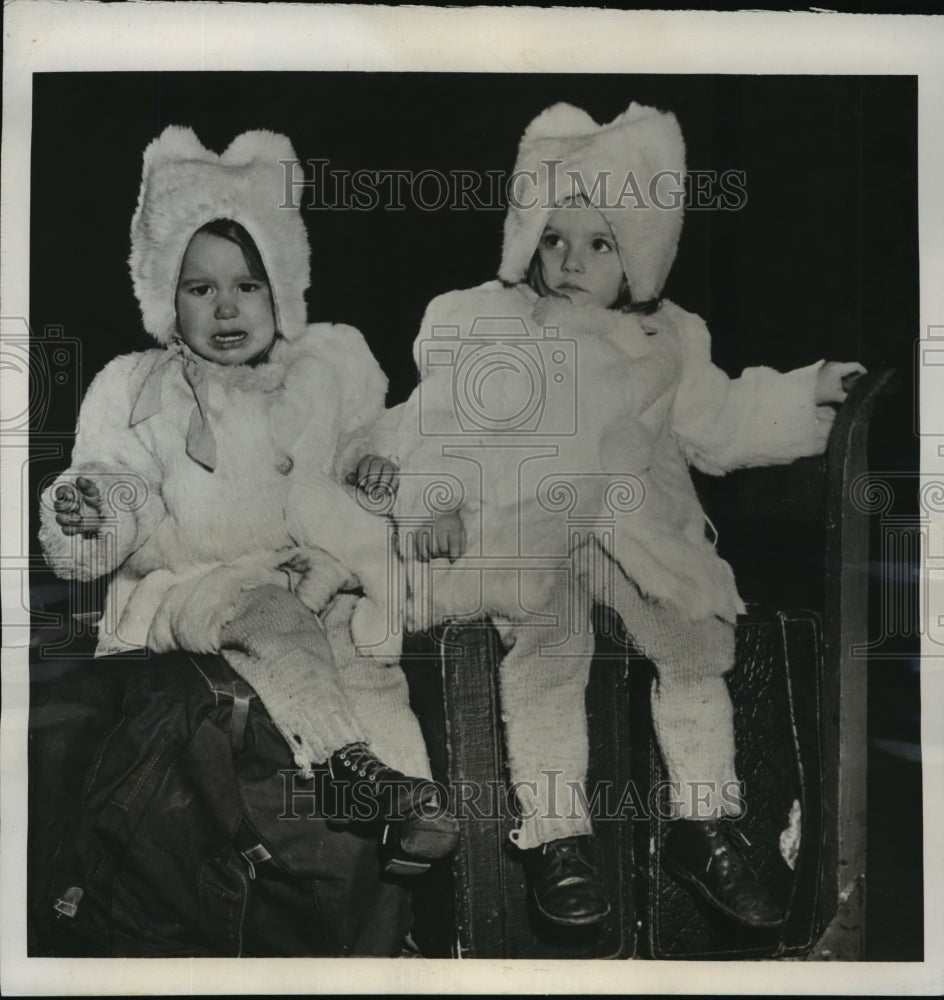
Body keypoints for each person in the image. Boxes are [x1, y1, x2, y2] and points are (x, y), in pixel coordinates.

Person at [391, 101, 863, 926]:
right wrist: (433, 500)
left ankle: (705, 823)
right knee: (552, 642)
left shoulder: (665, 340)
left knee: (695, 643)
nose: (572, 260)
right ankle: (555, 836)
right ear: (526, 239)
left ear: (639, 256)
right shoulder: (495, 324)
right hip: (530, 530)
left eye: (601, 243)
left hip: (633, 533)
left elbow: (721, 425)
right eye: (554, 238)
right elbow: (438, 426)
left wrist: (806, 390)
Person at [38, 125, 458, 876]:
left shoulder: (318, 372)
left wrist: (373, 468)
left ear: (283, 290)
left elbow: (362, 438)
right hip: (190, 590)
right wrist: (95, 509)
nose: (226, 310)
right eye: (201, 289)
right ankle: (341, 763)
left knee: (366, 650)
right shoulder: (141, 388)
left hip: (302, 571)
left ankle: (410, 812)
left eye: (247, 285)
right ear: (167, 297)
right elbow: (119, 475)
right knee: (279, 620)